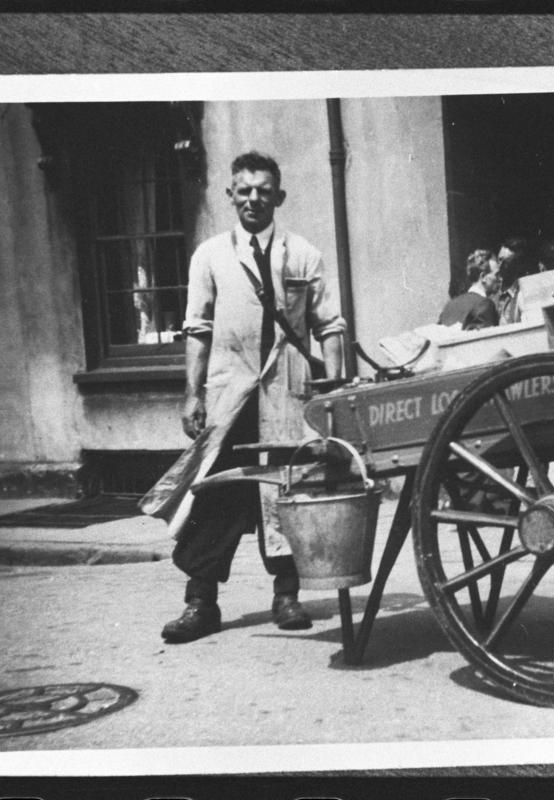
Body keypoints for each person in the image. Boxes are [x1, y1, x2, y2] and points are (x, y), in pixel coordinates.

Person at [161, 151, 346, 644]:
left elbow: (330, 326)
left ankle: (287, 596)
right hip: (230, 396)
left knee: (286, 493)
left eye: (264, 191)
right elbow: (197, 330)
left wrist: (334, 388)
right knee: (215, 495)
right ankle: (201, 603)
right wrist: (192, 395)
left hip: (288, 396)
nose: (253, 199)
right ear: (230, 196)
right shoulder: (211, 256)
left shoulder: (303, 254)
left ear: (278, 197)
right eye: (244, 190)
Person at [438, 249, 500, 330]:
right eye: (497, 274)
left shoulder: (449, 305)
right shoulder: (485, 304)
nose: (500, 279)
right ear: (483, 277)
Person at [494, 236, 540, 324]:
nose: (500, 267)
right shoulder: (492, 291)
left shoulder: (524, 293)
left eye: (506, 263)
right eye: (499, 260)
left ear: (518, 266)